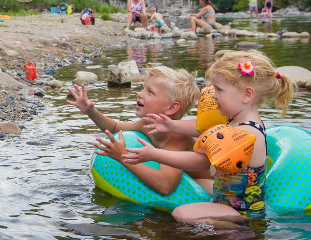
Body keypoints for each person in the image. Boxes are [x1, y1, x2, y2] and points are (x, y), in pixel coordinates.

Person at [122, 50, 295, 225]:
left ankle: (241, 229)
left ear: (247, 94)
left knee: (181, 213)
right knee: (199, 182)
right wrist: (172, 125)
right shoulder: (237, 119)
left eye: (219, 90)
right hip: (225, 194)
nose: (213, 95)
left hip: (241, 209)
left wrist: (154, 154)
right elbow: (202, 128)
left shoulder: (246, 133)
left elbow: (202, 162)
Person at [67, 66, 207, 195]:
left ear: (171, 108)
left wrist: (123, 157)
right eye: (143, 88)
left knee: (204, 186)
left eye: (150, 92)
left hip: (216, 181)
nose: (139, 94)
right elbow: (115, 127)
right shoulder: (146, 124)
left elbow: (165, 185)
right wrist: (90, 111)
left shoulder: (178, 140)